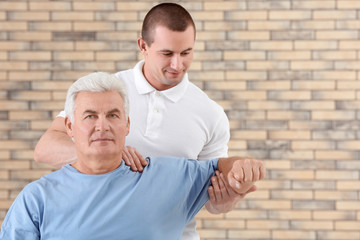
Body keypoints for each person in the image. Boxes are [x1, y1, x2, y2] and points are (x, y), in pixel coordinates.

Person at [34, 3, 241, 239]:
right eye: (167, 54)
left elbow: (212, 201)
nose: (177, 64)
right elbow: (45, 149)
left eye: (186, 53)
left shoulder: (210, 113)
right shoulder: (108, 92)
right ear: (143, 45)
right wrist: (109, 154)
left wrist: (224, 201)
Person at [1, 72, 266, 240]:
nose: (102, 126)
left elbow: (221, 167)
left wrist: (240, 171)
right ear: (69, 126)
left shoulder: (169, 177)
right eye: (90, 116)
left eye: (112, 115)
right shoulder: (37, 199)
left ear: (127, 125)